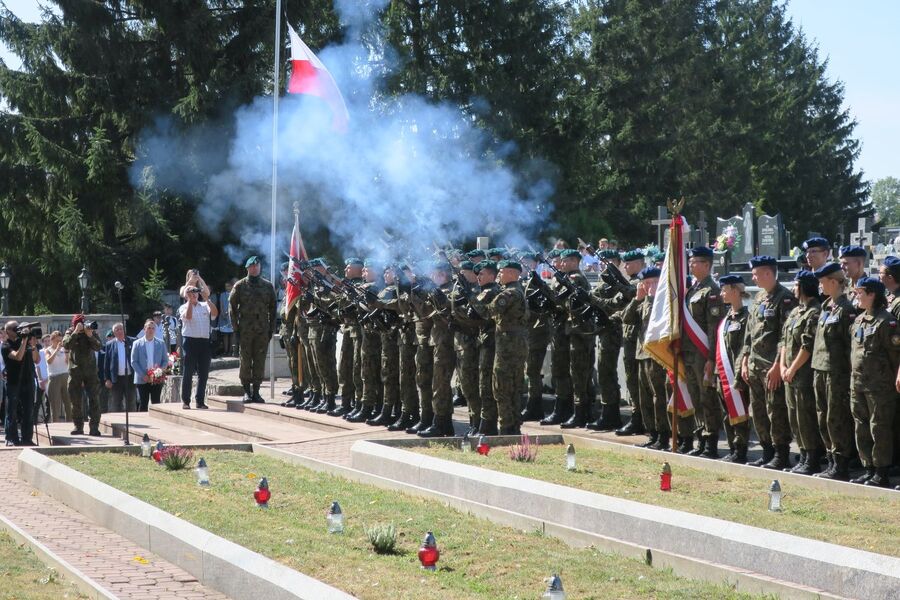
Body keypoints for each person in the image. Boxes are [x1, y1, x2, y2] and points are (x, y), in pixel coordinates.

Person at [739, 256, 797, 469]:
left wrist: (777, 366)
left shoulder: (785, 298)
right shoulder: (759, 297)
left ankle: (781, 453)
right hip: (755, 365)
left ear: (767, 273)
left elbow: (785, 336)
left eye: (755, 274)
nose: (753, 278)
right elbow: (749, 332)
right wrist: (745, 359)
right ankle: (767, 451)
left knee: (776, 411)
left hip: (771, 366)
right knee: (759, 411)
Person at [468, 260, 528, 435]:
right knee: (513, 388)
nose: (499, 275)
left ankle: (507, 427)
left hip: (508, 346)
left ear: (512, 273)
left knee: (502, 388)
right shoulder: (516, 290)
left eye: (502, 271)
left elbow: (487, 311)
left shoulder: (510, 293)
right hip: (513, 344)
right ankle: (512, 427)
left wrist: (470, 296)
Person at [811, 263, 856, 480]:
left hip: (837, 372)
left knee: (836, 418)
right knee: (823, 417)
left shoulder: (846, 310)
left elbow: (850, 346)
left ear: (833, 282)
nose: (820, 286)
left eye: (822, 282)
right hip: (820, 368)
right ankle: (830, 460)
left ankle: (840, 463)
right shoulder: (826, 306)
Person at [681, 246, 725, 457]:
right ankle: (701, 438)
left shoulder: (712, 291)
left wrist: (710, 358)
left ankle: (711, 442)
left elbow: (713, 327)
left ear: (706, 265)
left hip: (702, 354)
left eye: (694, 262)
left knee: (707, 398)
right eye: (690, 262)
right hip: (689, 352)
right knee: (695, 397)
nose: (690, 265)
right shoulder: (692, 289)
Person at [779, 271, 822, 475]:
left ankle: (812, 458)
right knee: (794, 416)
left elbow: (807, 345)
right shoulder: (796, 311)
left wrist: (792, 368)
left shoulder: (814, 312)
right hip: (789, 373)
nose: (794, 289)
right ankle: (803, 454)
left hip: (802, 374)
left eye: (796, 285)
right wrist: (782, 366)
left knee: (805, 417)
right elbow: (784, 341)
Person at [229, 256, 276, 404]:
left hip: (262, 330)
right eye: (252, 266)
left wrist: (271, 329)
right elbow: (232, 308)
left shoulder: (268, 286)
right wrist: (236, 329)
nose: (255, 269)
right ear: (247, 268)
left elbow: (273, 309)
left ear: (260, 267)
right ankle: (246, 391)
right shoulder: (240, 286)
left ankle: (256, 391)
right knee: (245, 360)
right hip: (245, 330)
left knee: (260, 360)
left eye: (257, 266)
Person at [716, 275, 751, 463]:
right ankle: (732, 448)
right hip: (723, 374)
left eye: (724, 290)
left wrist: (738, 372)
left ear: (735, 291)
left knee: (739, 412)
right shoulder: (726, 319)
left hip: (737, 374)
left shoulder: (747, 318)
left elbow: (746, 347)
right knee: (726, 413)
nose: (722, 293)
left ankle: (740, 449)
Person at [179, 284, 218, 409]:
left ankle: (200, 401)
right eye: (191, 292)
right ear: (186, 295)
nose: (194, 294)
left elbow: (215, 313)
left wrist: (207, 299)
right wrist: (190, 302)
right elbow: (188, 316)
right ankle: (186, 401)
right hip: (190, 341)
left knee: (204, 373)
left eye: (195, 292)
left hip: (204, 342)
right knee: (188, 372)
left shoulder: (205, 305)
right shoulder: (183, 307)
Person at [62, 314, 103, 436]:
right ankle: (78, 426)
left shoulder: (90, 332)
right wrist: (75, 332)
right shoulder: (70, 332)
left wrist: (90, 336)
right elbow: (66, 345)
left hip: (90, 372)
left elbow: (98, 346)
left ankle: (94, 427)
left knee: (94, 399)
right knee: (75, 400)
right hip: (75, 371)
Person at [2, 321, 40, 446]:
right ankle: (12, 438)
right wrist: (24, 341)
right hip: (13, 382)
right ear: (8, 331)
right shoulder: (6, 345)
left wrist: (33, 345)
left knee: (29, 411)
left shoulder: (25, 342)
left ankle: (27, 438)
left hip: (28, 381)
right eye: (15, 328)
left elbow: (36, 359)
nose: (18, 330)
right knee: (12, 412)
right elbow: (18, 357)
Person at [131, 320, 169, 411]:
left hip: (156, 379)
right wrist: (143, 375)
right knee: (143, 403)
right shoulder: (137, 343)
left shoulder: (161, 343)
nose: (151, 330)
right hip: (142, 378)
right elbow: (134, 362)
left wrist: (159, 372)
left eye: (153, 328)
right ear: (144, 329)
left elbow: (165, 360)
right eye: (149, 328)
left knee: (156, 403)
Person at [103, 323, 136, 412]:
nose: (119, 331)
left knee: (131, 402)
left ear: (124, 330)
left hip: (130, 378)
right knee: (116, 403)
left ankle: (133, 419)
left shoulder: (132, 341)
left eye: (121, 329)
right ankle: (118, 420)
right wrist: (107, 379)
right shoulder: (110, 344)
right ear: (114, 332)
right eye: (117, 330)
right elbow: (107, 363)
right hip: (116, 379)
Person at [44, 331, 69, 422]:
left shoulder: (64, 349)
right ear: (52, 340)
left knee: (68, 402)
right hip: (54, 377)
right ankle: (55, 422)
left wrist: (67, 353)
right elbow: (49, 361)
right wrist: (56, 350)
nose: (59, 342)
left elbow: (67, 362)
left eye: (60, 340)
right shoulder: (48, 350)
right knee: (55, 404)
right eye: (57, 340)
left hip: (65, 375)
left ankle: (70, 422)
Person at [218, 280, 236, 357]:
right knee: (225, 335)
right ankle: (226, 351)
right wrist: (223, 313)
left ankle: (231, 351)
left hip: (232, 317)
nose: (227, 288)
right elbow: (221, 304)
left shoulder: (234, 294)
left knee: (232, 335)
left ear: (231, 286)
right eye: (226, 286)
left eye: (228, 286)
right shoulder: (222, 295)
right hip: (224, 317)